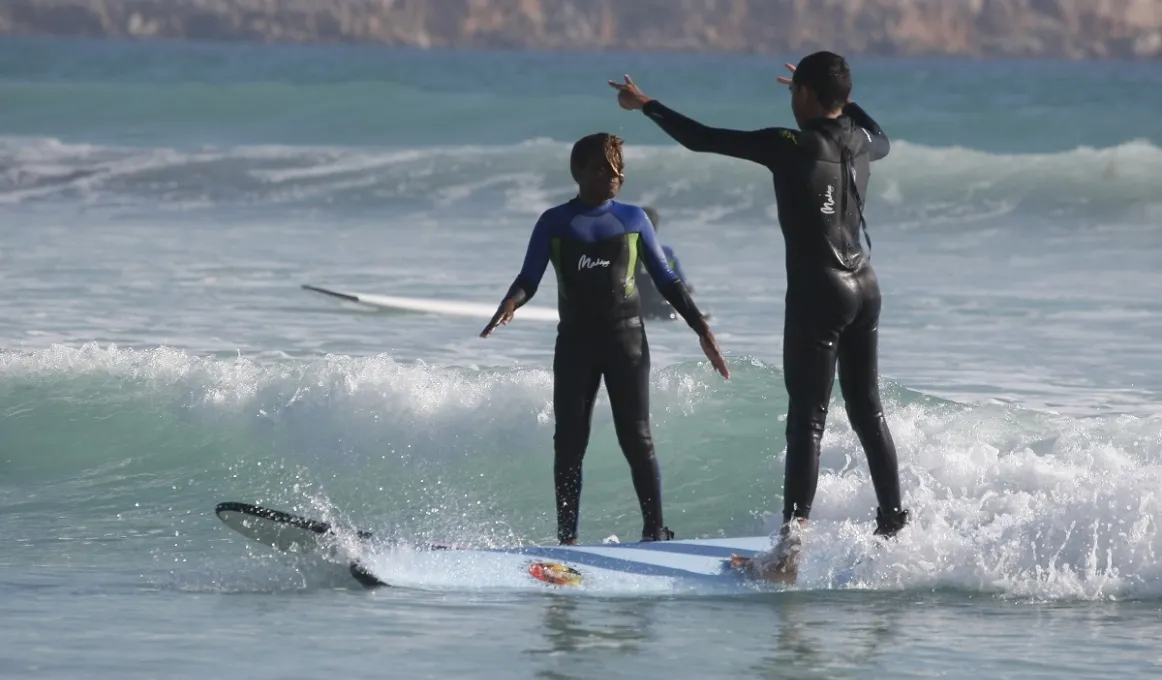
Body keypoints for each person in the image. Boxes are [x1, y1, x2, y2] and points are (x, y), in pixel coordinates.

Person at [609, 51, 908, 582]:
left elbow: (702, 138)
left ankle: (788, 557)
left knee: (807, 420)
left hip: (821, 292)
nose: (791, 101)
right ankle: (893, 530)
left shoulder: (790, 144)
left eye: (797, 91)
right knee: (868, 410)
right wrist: (841, 99)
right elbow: (878, 131)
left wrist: (646, 105)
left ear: (807, 95)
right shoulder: (862, 141)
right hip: (865, 285)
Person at [480, 132, 731, 545]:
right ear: (578, 172)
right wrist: (511, 302)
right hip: (575, 343)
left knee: (636, 436)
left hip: (626, 341)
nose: (614, 176)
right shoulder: (554, 222)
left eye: (619, 169)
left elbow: (667, 280)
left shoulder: (633, 220)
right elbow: (529, 277)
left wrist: (702, 330)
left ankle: (655, 531)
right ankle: (567, 538)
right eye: (602, 168)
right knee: (569, 442)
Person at [635, 206, 695, 320]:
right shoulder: (667, 253)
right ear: (656, 227)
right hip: (664, 310)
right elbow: (683, 285)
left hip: (636, 309)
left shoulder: (624, 252)